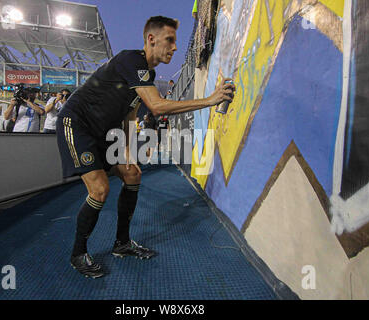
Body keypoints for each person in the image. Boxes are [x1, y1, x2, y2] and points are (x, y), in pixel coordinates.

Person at [56, 15, 235, 278]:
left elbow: (131, 115)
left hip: (104, 132)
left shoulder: (146, 74)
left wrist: (127, 151)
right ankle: (78, 253)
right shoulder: (132, 60)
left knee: (132, 173)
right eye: (170, 40)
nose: (174, 47)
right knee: (99, 189)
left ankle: (122, 244)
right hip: (77, 124)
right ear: (151, 39)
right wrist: (210, 100)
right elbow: (157, 106)